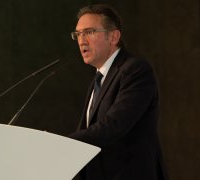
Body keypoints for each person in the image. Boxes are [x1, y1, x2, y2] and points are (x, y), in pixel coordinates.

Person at [69, 4, 168, 180]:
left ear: (113, 37)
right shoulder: (97, 80)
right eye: (78, 34)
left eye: (89, 32)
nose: (81, 40)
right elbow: (89, 132)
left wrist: (64, 143)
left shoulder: (135, 70)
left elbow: (113, 126)